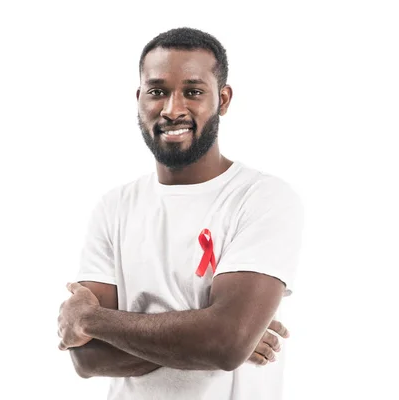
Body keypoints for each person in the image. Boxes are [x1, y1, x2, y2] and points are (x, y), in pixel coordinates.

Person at [57, 27, 304, 400]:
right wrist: (203, 335)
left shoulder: (262, 197)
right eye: (157, 91)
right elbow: (88, 358)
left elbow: (224, 342)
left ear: (222, 99)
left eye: (193, 91)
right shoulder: (114, 207)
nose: (173, 109)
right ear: (139, 98)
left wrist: (90, 319)